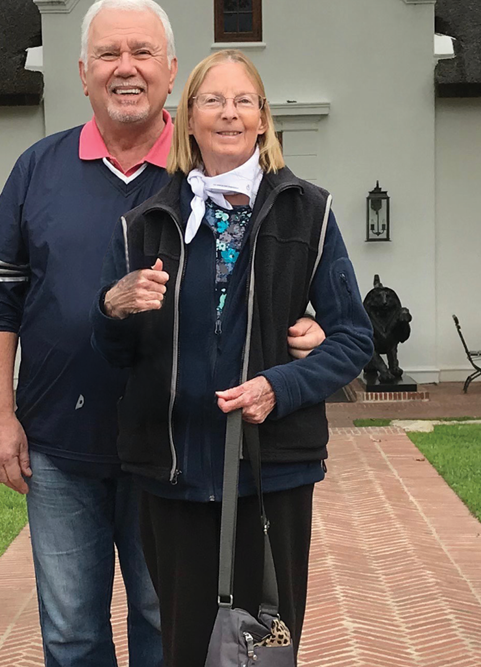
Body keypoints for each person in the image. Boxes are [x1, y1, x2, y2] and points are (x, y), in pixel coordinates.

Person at [0, 0, 326, 667]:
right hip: (60, 446)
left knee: (169, 626)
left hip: (175, 450)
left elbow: (277, 267)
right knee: (71, 633)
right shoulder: (36, 170)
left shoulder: (208, 173)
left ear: (171, 72)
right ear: (82, 73)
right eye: (108, 54)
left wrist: (305, 326)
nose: (125, 69)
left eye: (141, 54)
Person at [91, 49, 375, 667]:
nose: (229, 114)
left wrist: (281, 385)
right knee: (187, 649)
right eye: (213, 101)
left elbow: (354, 339)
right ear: (188, 119)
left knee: (266, 649)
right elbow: (115, 356)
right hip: (172, 471)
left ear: (263, 119)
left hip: (273, 475)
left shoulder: (310, 212)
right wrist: (111, 307)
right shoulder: (145, 224)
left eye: (243, 101)